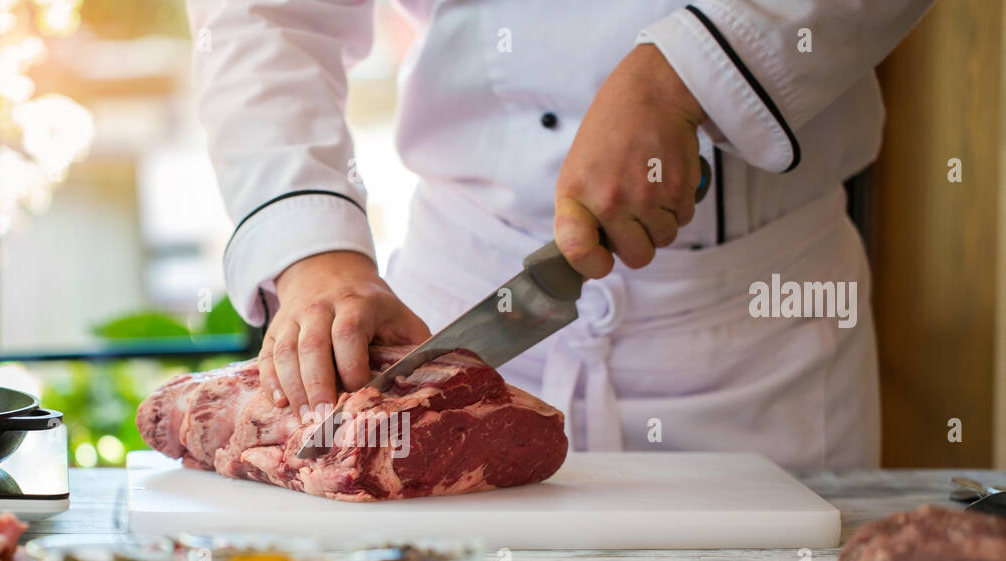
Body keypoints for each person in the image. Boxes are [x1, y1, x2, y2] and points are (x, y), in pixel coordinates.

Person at [185, 1, 934, 468]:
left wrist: (693, 73)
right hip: (448, 316)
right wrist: (316, 253)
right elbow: (266, 14)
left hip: (758, 341)